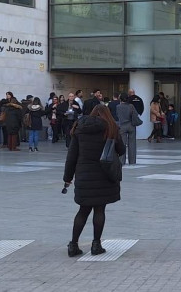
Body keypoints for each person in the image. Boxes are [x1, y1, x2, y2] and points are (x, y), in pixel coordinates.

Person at [62, 104, 126, 257]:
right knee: (99, 210)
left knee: (83, 211)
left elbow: (72, 156)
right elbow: (121, 150)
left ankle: (73, 245)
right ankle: (96, 245)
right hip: (103, 175)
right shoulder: (110, 128)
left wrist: (67, 178)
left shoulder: (79, 128)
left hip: (83, 175)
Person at [113, 91, 140, 165]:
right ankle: (132, 161)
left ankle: (122, 161)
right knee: (132, 144)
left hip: (122, 126)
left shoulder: (118, 106)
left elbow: (118, 115)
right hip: (131, 125)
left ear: (120, 99)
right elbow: (135, 114)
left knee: (122, 144)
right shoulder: (131, 106)